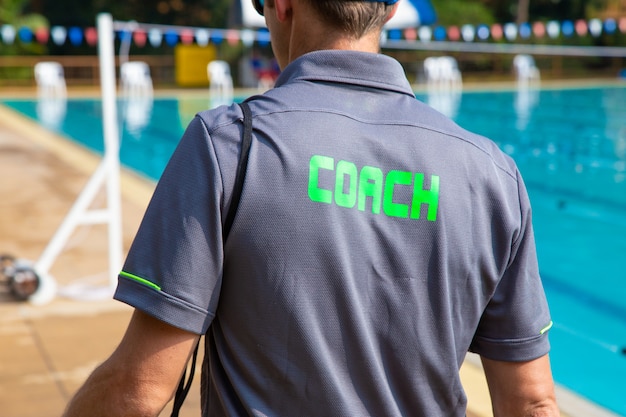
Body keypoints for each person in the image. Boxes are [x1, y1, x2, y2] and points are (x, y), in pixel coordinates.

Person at [62, 0, 560, 416]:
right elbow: (532, 403)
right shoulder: (492, 174)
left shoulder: (231, 144)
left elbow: (141, 389)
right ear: (386, 11)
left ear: (282, 6)